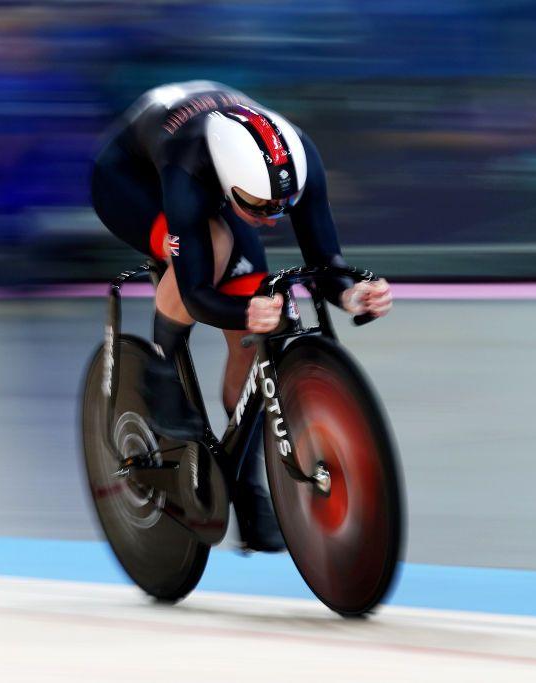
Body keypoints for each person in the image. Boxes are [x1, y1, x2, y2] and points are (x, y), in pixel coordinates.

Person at [90, 81, 392, 552]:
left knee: (253, 324)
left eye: (282, 208)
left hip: (218, 180)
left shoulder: (297, 159)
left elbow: (325, 261)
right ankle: (161, 374)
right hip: (134, 180)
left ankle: (247, 485)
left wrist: (353, 296)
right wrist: (243, 309)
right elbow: (195, 294)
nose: (273, 220)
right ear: (232, 185)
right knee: (212, 246)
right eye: (261, 208)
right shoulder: (188, 164)